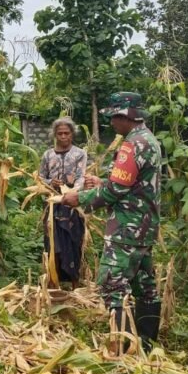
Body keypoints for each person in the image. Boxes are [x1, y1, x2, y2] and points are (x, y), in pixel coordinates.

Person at [62, 92, 162, 351]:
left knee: (111, 283)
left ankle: (124, 348)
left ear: (125, 116)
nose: (112, 124)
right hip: (144, 225)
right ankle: (147, 345)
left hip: (127, 227)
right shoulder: (148, 139)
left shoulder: (132, 144)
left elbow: (115, 192)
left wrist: (79, 198)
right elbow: (131, 184)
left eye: (114, 118)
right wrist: (105, 182)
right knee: (145, 285)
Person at [38, 117, 87, 288]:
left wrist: (73, 192)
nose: (63, 136)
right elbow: (40, 177)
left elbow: (82, 176)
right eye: (60, 133)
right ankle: (53, 284)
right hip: (52, 205)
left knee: (73, 241)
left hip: (73, 204)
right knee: (53, 243)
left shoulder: (79, 154)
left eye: (67, 133)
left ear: (72, 134)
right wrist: (50, 183)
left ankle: (74, 284)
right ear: (55, 135)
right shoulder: (47, 155)